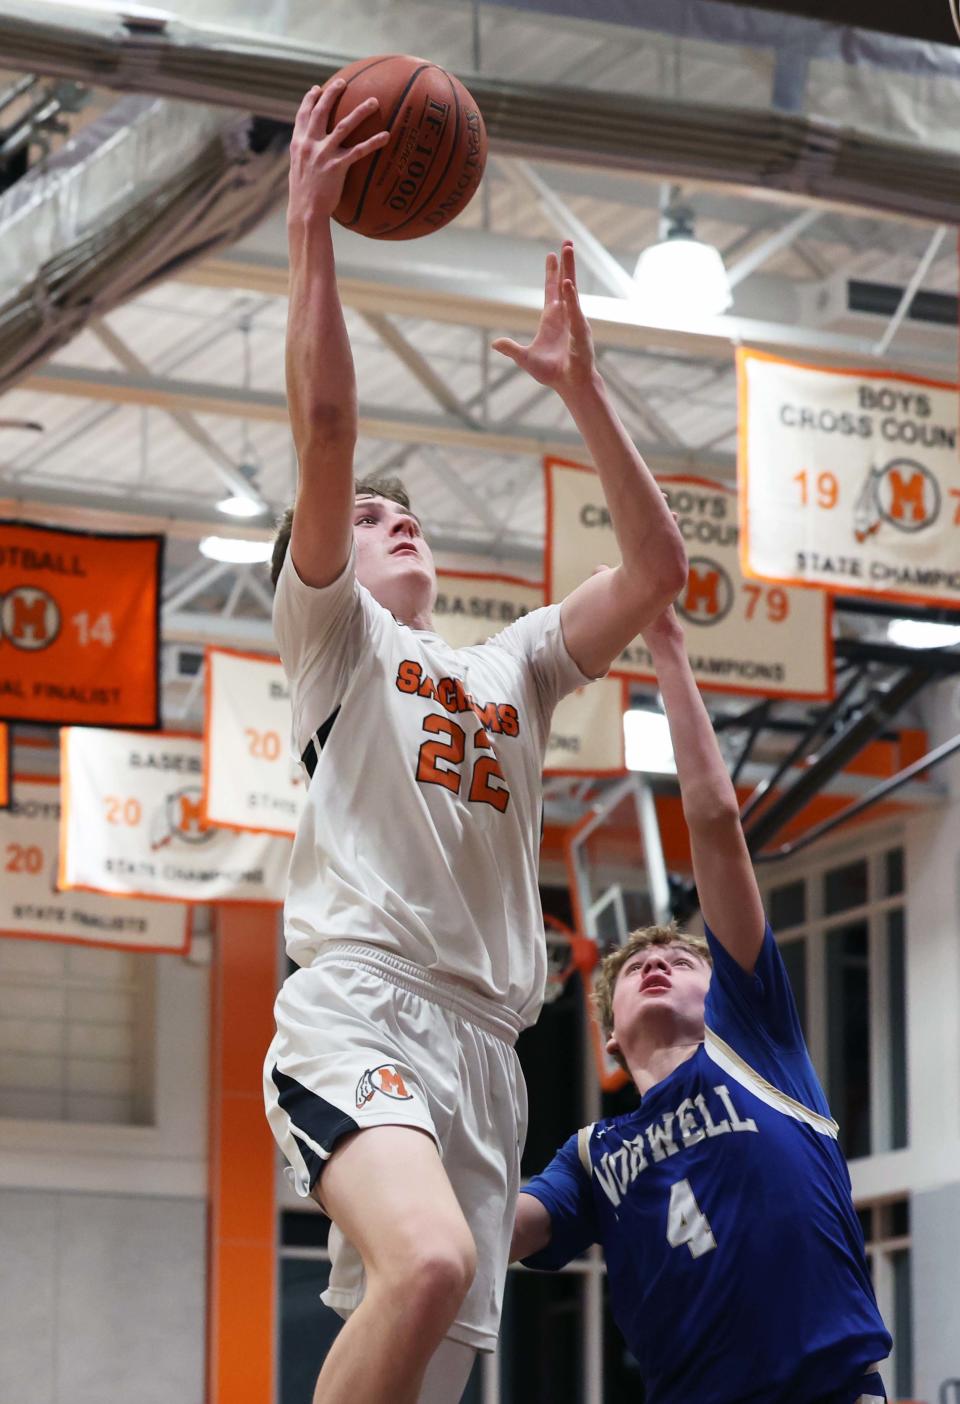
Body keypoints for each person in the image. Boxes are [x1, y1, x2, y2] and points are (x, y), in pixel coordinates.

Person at [262, 80, 687, 1404]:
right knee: (432, 1263)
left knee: (431, 1359)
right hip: (360, 1003)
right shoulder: (337, 641)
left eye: (409, 515)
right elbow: (328, 431)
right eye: (368, 519)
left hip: (486, 1055)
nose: (397, 520)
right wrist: (312, 231)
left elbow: (659, 567)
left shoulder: (512, 662)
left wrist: (585, 390)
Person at [511, 606, 893, 1404]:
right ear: (607, 1040)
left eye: (680, 959)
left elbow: (717, 822)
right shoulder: (589, 1158)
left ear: (723, 991)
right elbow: (503, 1230)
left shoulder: (752, 1041)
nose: (654, 961)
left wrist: (668, 647)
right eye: (633, 967)